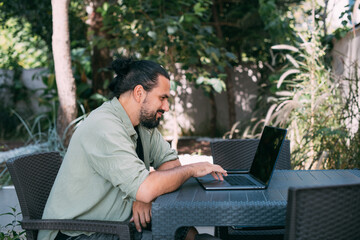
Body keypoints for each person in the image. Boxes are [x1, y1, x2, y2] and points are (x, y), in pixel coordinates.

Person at [38, 57, 227, 240]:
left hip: (116, 222)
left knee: (180, 228)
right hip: (79, 232)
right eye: (162, 98)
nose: (167, 107)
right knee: (168, 227)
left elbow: (171, 165)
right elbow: (148, 186)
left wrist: (144, 196)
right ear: (139, 93)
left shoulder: (143, 125)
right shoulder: (104, 126)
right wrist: (192, 169)